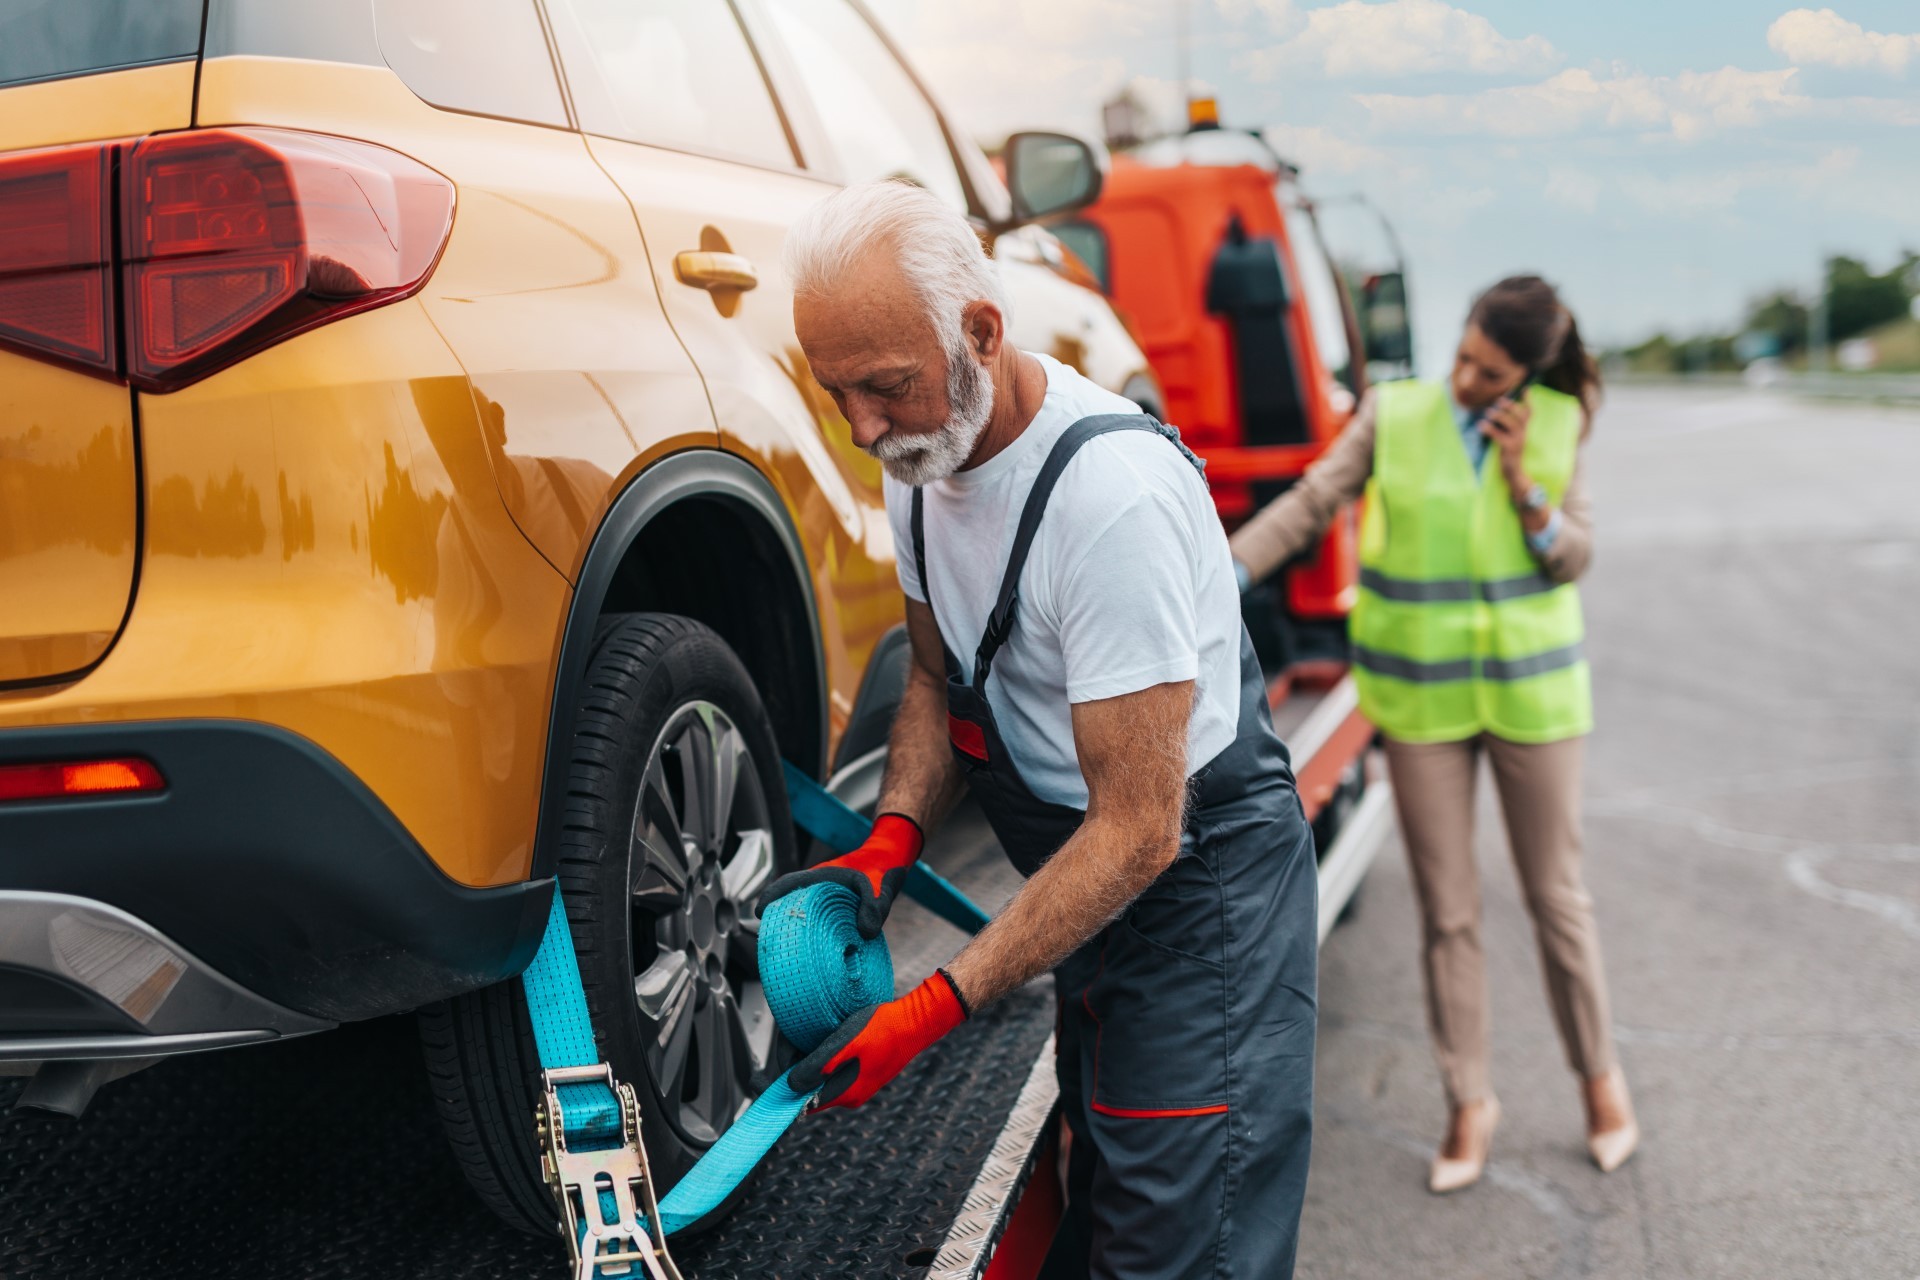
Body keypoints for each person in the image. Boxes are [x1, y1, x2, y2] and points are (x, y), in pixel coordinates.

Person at [758, 180, 1319, 1278]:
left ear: (980, 330)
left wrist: (936, 1002)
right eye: (837, 394)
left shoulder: (1106, 503)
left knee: (1182, 1243)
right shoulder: (928, 457)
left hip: (1196, 902)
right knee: (1112, 1185)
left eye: (885, 387)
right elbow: (934, 672)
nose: (865, 428)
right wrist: (894, 835)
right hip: (1094, 893)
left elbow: (1141, 831)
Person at [1230, 276, 1637, 1193]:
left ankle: (1601, 1084)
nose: (1463, 378)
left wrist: (1529, 483)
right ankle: (1469, 1102)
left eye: (1488, 372)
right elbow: (1311, 501)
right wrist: (1220, 571)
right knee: (1447, 916)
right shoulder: (1394, 413)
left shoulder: (1559, 423)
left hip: (1533, 704)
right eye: (1462, 355)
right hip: (1419, 705)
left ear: (1526, 376)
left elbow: (1574, 553)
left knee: (1556, 902)